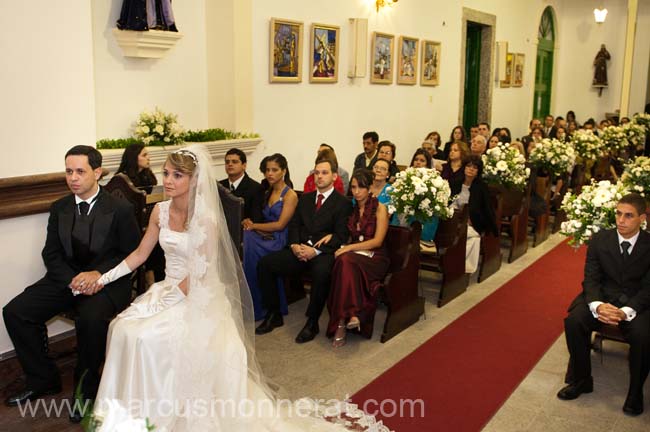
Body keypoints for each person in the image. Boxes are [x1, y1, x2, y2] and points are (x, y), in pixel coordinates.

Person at [92, 145, 357, 430]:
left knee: (144, 335)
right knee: (121, 327)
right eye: (166, 173)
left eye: (177, 175)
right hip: (169, 288)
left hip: (197, 294)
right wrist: (101, 278)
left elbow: (198, 272)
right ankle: (130, 416)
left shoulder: (206, 219)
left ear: (194, 180)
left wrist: (158, 305)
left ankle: (158, 416)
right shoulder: (159, 211)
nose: (168, 180)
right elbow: (139, 255)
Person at [3, 146, 140, 421]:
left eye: (80, 171)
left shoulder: (121, 209)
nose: (73, 178)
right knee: (16, 311)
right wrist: (73, 281)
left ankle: (85, 391)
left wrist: (98, 275)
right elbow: (50, 253)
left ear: (97, 173)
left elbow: (130, 253)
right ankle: (43, 379)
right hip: (66, 279)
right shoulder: (59, 208)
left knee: (90, 320)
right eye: (68, 171)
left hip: (109, 281)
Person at [557, 194, 650, 416]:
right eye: (618, 213)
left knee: (643, 335)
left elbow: (649, 287)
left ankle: (635, 392)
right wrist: (598, 306)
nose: (621, 220)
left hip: (636, 303)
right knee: (574, 321)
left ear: (642, 218)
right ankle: (581, 380)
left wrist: (625, 311)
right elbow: (591, 278)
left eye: (629, 215)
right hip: (602, 298)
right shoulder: (600, 239)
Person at [256, 156, 352, 344]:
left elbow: (341, 235)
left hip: (323, 253)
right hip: (299, 249)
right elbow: (294, 225)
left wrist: (315, 251)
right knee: (265, 264)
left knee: (322, 272)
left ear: (334, 177)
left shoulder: (343, 203)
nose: (319, 177)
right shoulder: (306, 199)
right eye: (317, 173)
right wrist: (293, 245)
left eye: (324, 173)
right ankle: (274, 313)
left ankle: (312, 321)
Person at [324, 170, 390, 347]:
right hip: (355, 258)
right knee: (343, 263)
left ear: (369, 188)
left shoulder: (380, 208)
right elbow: (345, 234)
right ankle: (349, 317)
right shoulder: (352, 209)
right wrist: (334, 237)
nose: (357, 191)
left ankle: (342, 322)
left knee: (344, 260)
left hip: (376, 258)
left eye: (361, 187)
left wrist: (349, 248)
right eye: (353, 187)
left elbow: (377, 241)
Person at [242, 154, 298, 321]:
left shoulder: (290, 195)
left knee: (249, 240)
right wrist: (249, 223)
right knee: (247, 236)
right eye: (267, 170)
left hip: (280, 239)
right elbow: (263, 221)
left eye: (274, 170)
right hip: (267, 235)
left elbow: (280, 225)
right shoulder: (268, 191)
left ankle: (261, 307)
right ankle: (255, 304)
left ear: (284, 171)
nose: (270, 174)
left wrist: (254, 226)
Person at [450, 156, 498, 274]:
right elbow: (448, 202)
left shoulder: (481, 187)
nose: (471, 169)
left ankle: (462, 267)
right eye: (468, 166)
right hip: (452, 220)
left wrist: (473, 220)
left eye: (474, 167)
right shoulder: (455, 183)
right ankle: (456, 264)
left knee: (473, 238)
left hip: (472, 222)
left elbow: (486, 210)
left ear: (478, 171)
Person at [220, 148, 262, 222]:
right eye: (227, 162)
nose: (230, 164)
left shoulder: (255, 188)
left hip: (244, 231)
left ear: (244, 165)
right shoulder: (219, 186)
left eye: (234, 162)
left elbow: (256, 218)